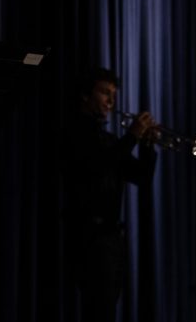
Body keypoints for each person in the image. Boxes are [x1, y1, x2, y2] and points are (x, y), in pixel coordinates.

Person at [61, 67, 158, 322]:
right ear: (85, 95)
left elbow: (141, 177)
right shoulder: (74, 132)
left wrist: (148, 144)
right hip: (88, 238)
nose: (111, 101)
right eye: (105, 93)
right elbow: (97, 165)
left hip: (112, 238)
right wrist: (133, 136)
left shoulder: (109, 139)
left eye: (113, 94)